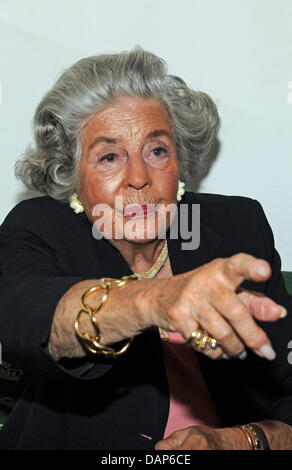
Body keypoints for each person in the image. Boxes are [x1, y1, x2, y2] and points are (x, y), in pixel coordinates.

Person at [0, 47, 291, 450]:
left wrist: (243, 441)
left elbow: (285, 395)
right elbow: (29, 321)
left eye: (156, 151)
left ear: (180, 162)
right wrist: (157, 300)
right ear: (71, 175)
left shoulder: (238, 227)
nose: (139, 177)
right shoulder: (42, 227)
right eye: (109, 157)